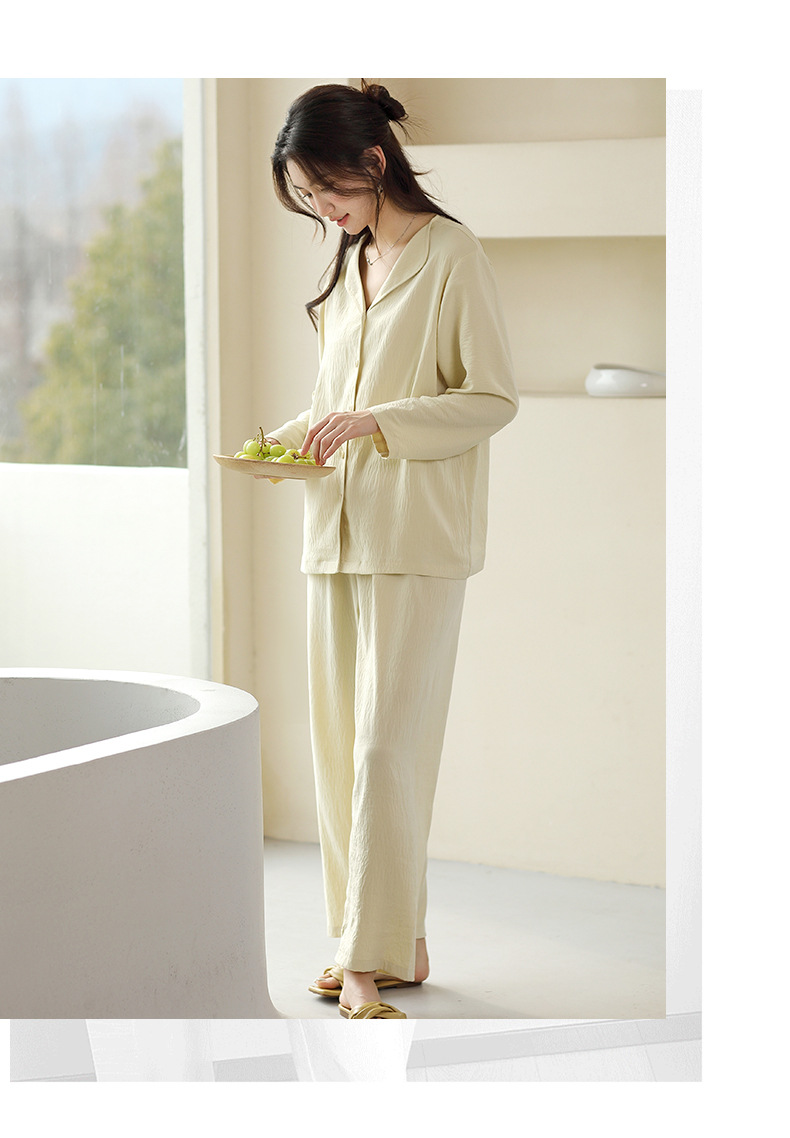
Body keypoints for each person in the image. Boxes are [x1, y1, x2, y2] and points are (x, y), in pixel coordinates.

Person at [261, 81, 518, 1019]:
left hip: (414, 535)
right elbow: (334, 401)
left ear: (374, 163)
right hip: (333, 530)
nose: (322, 211)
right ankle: (390, 943)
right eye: (307, 199)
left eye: (328, 191)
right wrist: (279, 444)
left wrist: (380, 421)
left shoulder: (452, 255)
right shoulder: (349, 267)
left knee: (384, 750)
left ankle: (364, 958)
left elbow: (490, 397)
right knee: (339, 750)